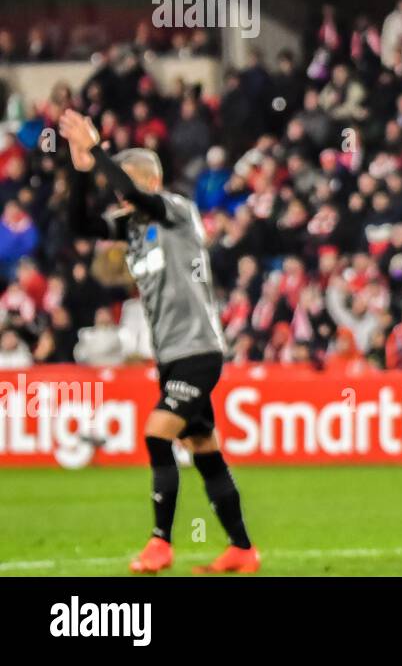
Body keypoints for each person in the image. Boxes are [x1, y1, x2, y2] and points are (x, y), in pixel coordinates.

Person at [59, 109, 259, 575]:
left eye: (123, 185)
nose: (117, 195)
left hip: (198, 349)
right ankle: (243, 549)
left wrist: (99, 151)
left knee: (157, 433)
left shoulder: (177, 211)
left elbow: (131, 193)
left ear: (150, 180)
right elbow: (80, 225)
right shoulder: (132, 228)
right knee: (205, 449)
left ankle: (160, 542)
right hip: (169, 353)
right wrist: (81, 168)